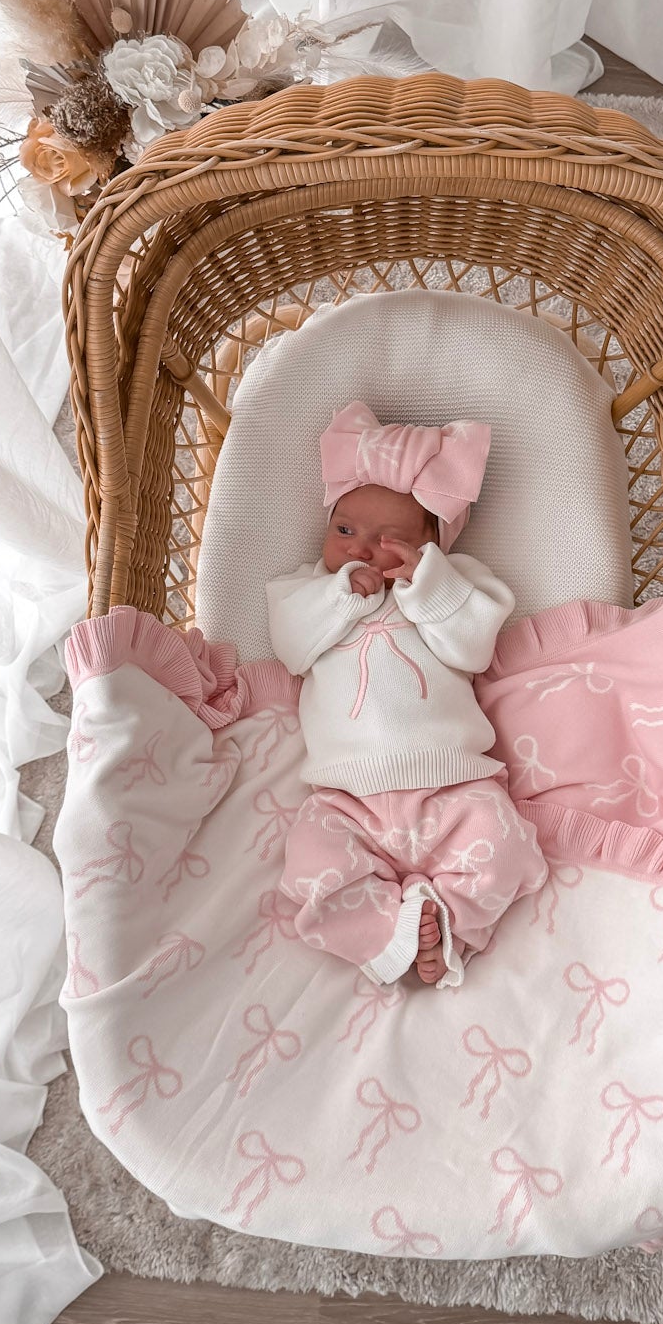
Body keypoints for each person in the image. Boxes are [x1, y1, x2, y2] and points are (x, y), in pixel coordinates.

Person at [266, 401, 546, 988]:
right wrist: (342, 598)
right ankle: (384, 930)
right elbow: (292, 648)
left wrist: (427, 584)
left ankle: (448, 922)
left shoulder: (455, 583)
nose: (360, 550)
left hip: (453, 784)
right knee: (311, 871)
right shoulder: (307, 591)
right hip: (347, 799)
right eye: (344, 531)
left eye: (388, 539)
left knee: (505, 847)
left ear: (432, 546)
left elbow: (473, 649)